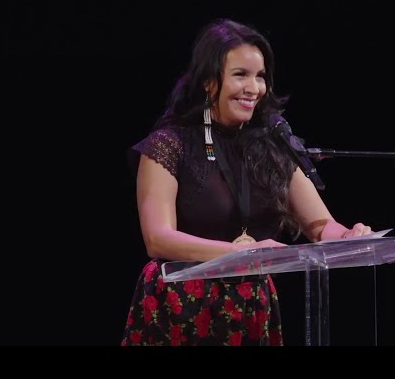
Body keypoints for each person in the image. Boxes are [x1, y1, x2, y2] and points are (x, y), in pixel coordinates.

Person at [121, 18, 372, 346]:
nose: (254, 88)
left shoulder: (272, 146)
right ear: (210, 81)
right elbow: (158, 239)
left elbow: (320, 225)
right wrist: (243, 254)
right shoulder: (170, 145)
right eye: (240, 75)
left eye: (260, 76)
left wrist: (349, 235)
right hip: (180, 303)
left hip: (249, 303)